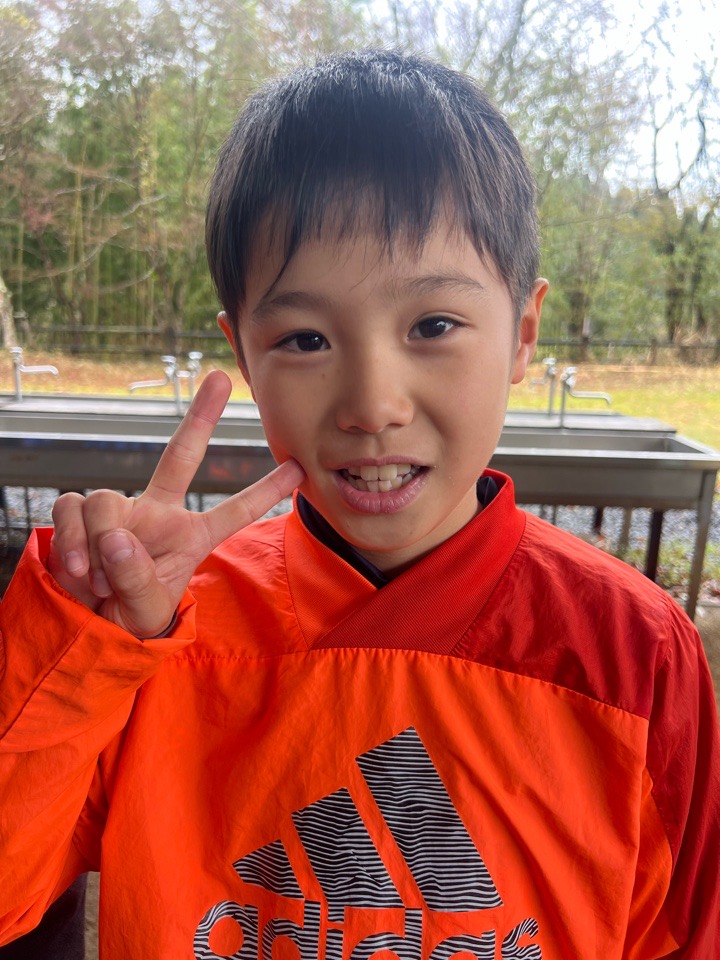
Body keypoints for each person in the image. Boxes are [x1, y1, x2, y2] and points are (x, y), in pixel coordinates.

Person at [0, 49, 718, 958]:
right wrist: (82, 644)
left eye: (433, 325)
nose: (372, 405)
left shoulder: (631, 650)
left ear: (523, 333)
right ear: (243, 354)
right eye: (305, 339)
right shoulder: (155, 637)